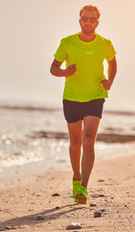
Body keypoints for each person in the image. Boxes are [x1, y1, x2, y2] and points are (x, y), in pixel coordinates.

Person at [50, 5, 117, 204]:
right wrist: (63, 72)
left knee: (89, 140)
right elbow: (53, 67)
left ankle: (84, 188)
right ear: (80, 21)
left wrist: (110, 81)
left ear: (97, 22)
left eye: (92, 19)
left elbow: (113, 63)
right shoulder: (67, 42)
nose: (88, 22)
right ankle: (76, 177)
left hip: (95, 95)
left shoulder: (105, 44)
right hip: (71, 97)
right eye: (84, 19)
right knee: (76, 143)